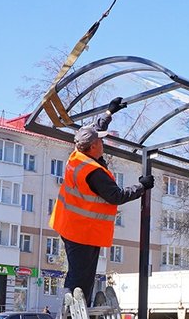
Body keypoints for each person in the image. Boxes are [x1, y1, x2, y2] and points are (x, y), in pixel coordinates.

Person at [50, 97, 155, 307]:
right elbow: (116, 196)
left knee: (81, 278)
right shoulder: (94, 173)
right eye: (100, 142)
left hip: (70, 227)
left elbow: (92, 131)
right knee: (80, 280)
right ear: (92, 147)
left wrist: (109, 113)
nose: (103, 143)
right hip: (82, 232)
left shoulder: (77, 155)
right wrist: (142, 187)